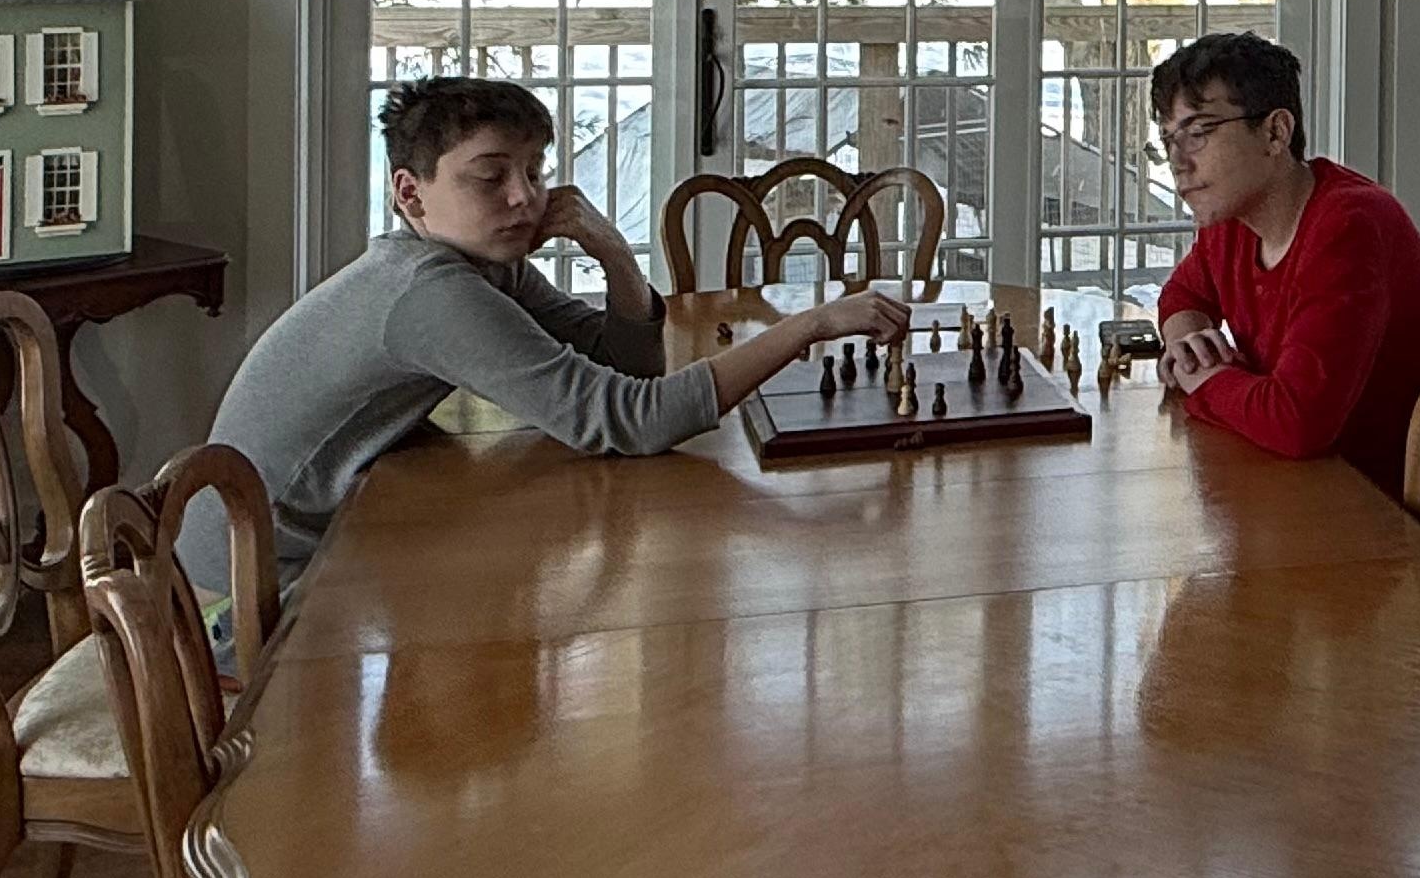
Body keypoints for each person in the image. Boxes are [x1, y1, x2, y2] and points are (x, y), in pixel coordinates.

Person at [186, 75, 905, 582]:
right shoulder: (429, 293)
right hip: (248, 598)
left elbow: (623, 371)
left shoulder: (474, 266)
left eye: (535, 170)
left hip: (307, 549)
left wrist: (617, 257)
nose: (524, 196)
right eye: (489, 176)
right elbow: (631, 421)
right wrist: (810, 325)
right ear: (411, 193)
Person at [1150, 32, 1420, 500]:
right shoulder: (1232, 217)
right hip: (1299, 480)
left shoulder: (1349, 225)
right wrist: (1189, 347)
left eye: (1198, 132)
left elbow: (1296, 422)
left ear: (1276, 132)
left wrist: (1201, 379)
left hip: (1386, 508)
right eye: (1167, 138)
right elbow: (1184, 296)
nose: (1177, 162)